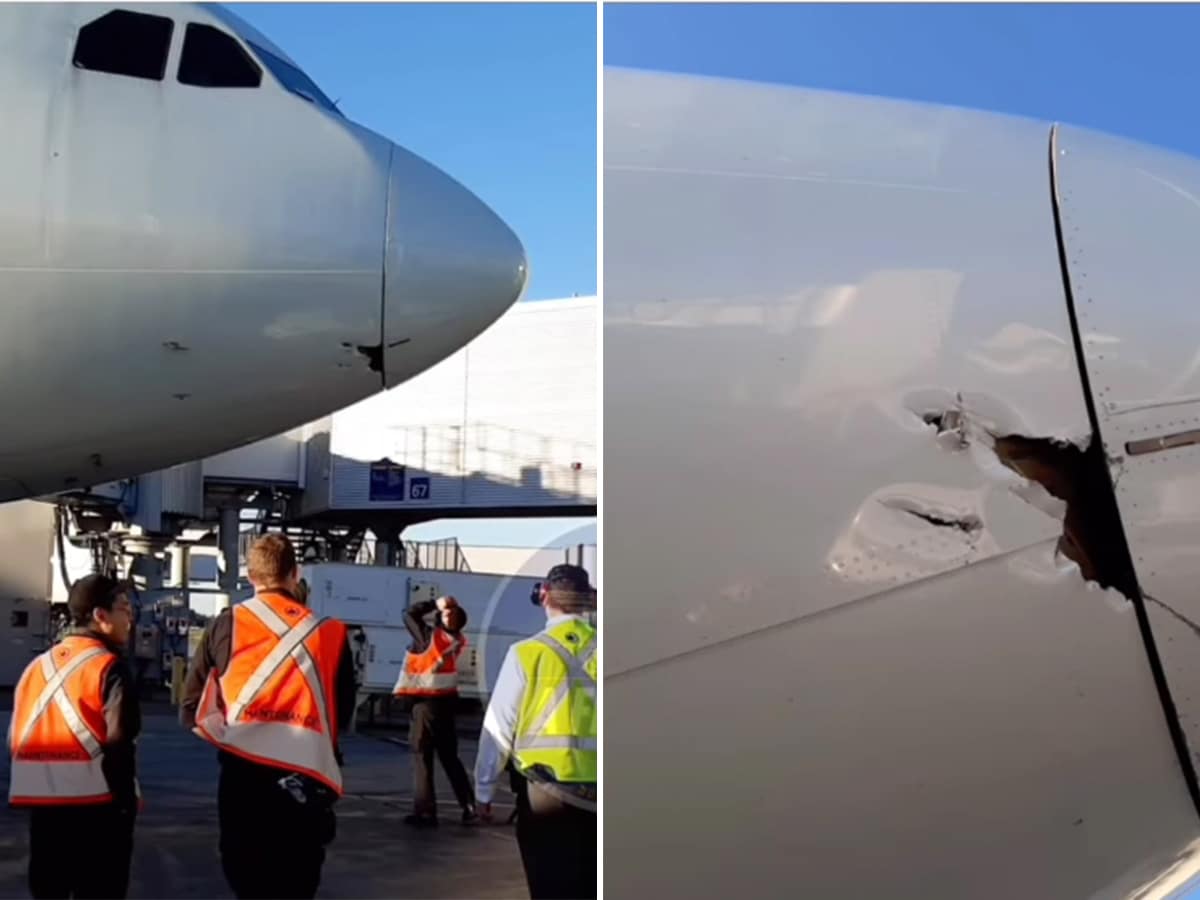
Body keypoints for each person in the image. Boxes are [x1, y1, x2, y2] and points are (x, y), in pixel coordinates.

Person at [180, 533, 356, 900]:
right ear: (296, 573)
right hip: (307, 777)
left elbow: (192, 708)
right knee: (298, 880)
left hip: (244, 775)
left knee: (247, 879)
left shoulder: (226, 624)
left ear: (249, 576)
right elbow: (342, 712)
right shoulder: (331, 633)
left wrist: (233, 737)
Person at [8, 573, 141, 899]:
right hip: (97, 808)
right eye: (124, 609)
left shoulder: (35, 667)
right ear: (100, 616)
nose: (131, 618)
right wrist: (126, 804)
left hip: (41, 807)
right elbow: (120, 744)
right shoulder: (108, 668)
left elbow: (16, 734)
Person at [474, 564, 598, 899]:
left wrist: (483, 791)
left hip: (547, 794)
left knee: (550, 884)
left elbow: (499, 727)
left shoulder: (527, 653)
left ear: (544, 596)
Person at [393, 594, 477, 826]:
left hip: (424, 702)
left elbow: (408, 615)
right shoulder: (456, 639)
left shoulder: (429, 637)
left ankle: (426, 811)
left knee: (422, 756)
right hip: (447, 702)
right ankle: (468, 805)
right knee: (450, 756)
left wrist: (434, 603)